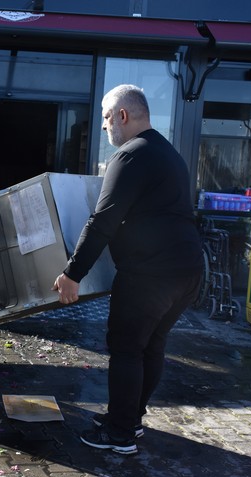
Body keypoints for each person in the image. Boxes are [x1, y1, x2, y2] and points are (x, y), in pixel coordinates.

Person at [52, 84, 203, 455]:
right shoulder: (167, 153)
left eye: (106, 118)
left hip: (150, 274)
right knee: (150, 347)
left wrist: (73, 274)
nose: (104, 128)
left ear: (122, 115)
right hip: (187, 271)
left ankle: (119, 433)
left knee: (125, 349)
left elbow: (102, 220)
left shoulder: (131, 155)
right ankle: (130, 420)